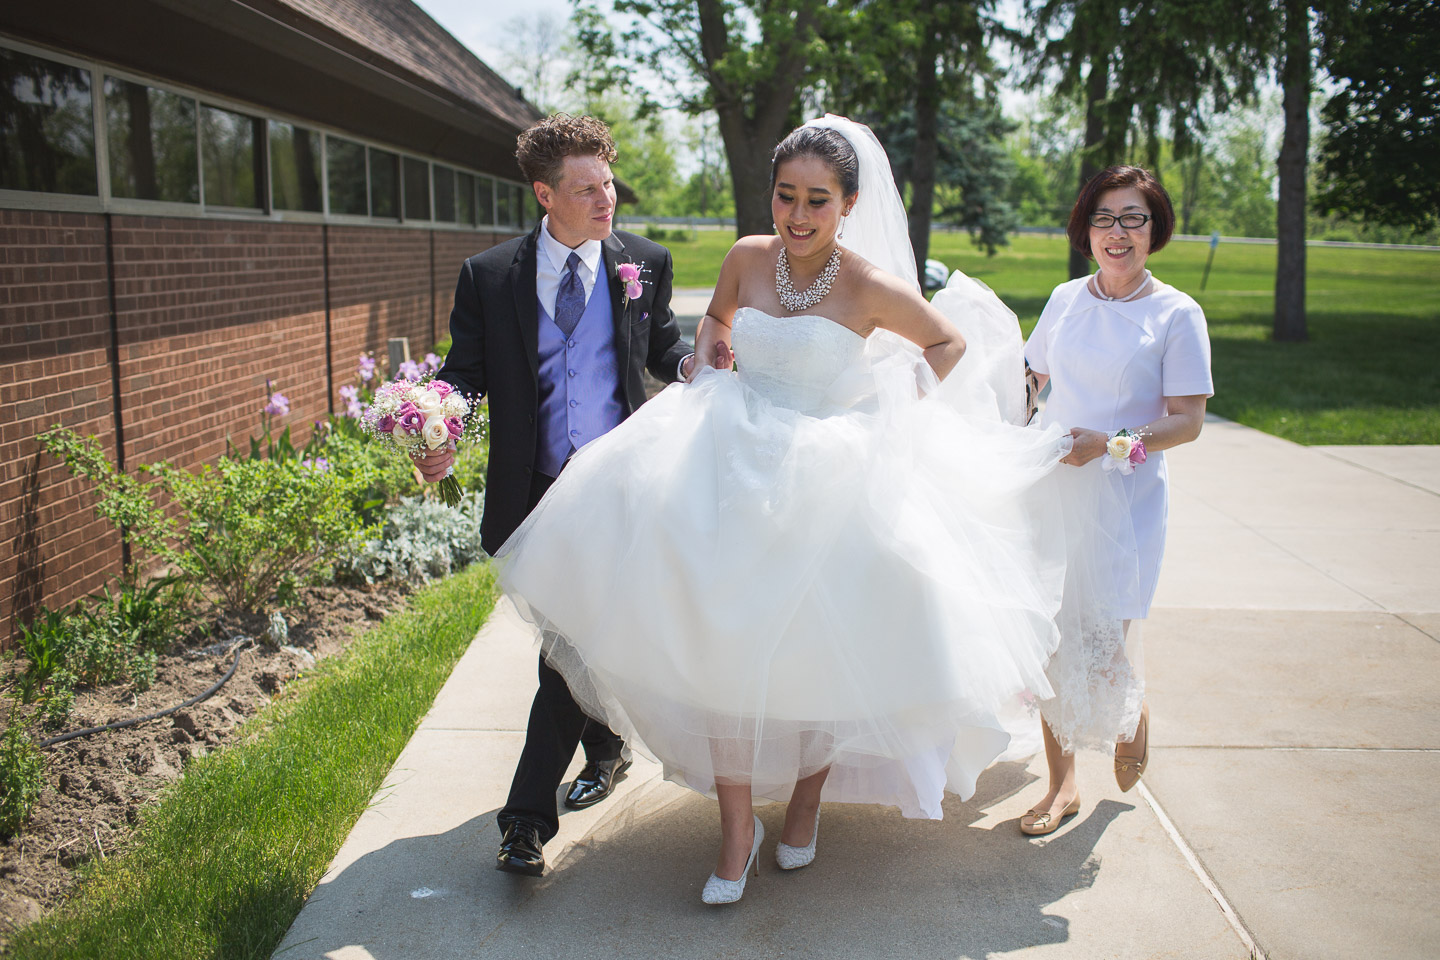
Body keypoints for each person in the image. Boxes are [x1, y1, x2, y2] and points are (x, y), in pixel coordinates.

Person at [493, 116, 1125, 905]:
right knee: (721, 639)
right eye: (785, 196)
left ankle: (804, 801)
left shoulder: (868, 284)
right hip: (727, 454)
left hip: (829, 470)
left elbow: (946, 346)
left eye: (817, 201)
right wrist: (715, 353)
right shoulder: (746, 258)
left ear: (848, 203)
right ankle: (734, 834)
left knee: (822, 644)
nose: (797, 215)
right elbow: (717, 320)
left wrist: (895, 408)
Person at [415, 114, 694, 876]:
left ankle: (524, 820)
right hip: (534, 486)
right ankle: (605, 747)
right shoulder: (492, 276)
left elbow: (661, 345)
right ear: (545, 194)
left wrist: (697, 365)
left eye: (608, 184)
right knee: (575, 638)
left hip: (615, 485)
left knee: (567, 645)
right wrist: (438, 427)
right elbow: (464, 372)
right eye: (585, 189)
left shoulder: (642, 262)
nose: (606, 201)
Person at [1017, 165, 1213, 836]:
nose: (1117, 233)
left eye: (1134, 218)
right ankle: (1062, 785)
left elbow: (1186, 422)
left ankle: (1132, 710)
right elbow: (1030, 377)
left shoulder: (1177, 314)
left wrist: (1108, 445)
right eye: (1104, 218)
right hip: (1053, 488)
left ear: (1154, 229)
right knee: (1048, 639)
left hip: (1125, 502)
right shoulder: (1066, 298)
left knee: (1099, 652)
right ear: (1086, 229)